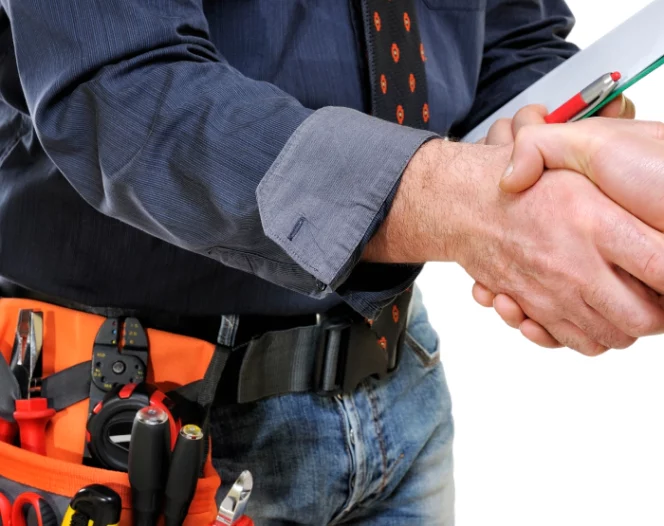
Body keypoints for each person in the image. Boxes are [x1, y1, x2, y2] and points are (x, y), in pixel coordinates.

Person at [1, 1, 664, 524]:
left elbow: (512, 38)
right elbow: (123, 91)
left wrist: (560, 150)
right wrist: (466, 208)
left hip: (398, 381)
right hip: (139, 412)